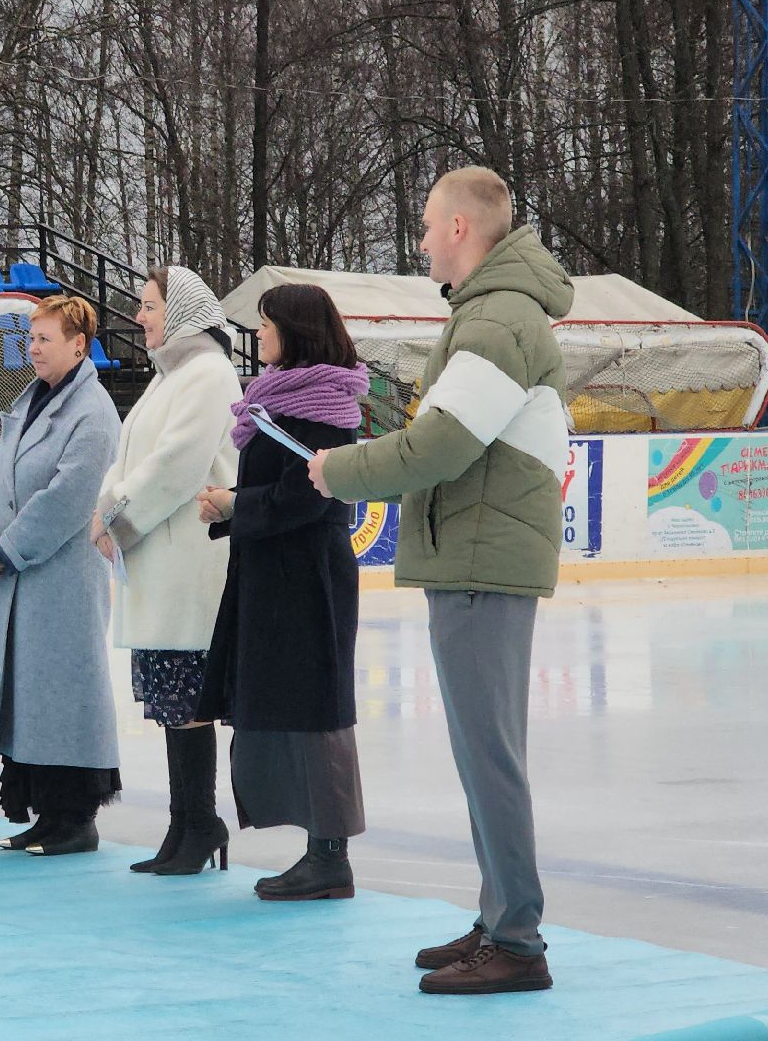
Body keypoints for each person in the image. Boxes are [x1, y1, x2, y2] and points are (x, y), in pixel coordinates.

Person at [309, 166, 570, 995]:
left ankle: (517, 939)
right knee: (481, 752)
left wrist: (337, 470)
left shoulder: (497, 320)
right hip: (474, 554)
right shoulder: (488, 313)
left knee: (490, 755)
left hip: (483, 561)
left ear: (460, 228)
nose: (420, 240)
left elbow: (439, 447)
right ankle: (500, 918)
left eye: (427, 225)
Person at [194, 284, 368, 895]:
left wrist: (233, 505)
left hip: (309, 578)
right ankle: (321, 850)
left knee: (318, 710)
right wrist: (234, 508)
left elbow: (308, 494)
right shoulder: (279, 397)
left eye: (267, 323)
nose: (259, 333)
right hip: (275, 574)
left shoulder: (322, 406)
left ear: (296, 330)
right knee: (293, 706)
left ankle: (330, 856)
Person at [90, 265, 242, 875]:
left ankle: (198, 822)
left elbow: (178, 464)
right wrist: (106, 511)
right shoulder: (169, 376)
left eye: (149, 306)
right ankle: (187, 823)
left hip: (188, 562)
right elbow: (127, 458)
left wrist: (119, 520)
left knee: (189, 701)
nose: (139, 317)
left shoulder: (208, 372)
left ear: (180, 311)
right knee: (174, 703)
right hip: (158, 560)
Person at [0, 295, 122, 856]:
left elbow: (70, 497)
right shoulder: (29, 400)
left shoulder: (94, 412)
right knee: (29, 698)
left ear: (78, 346)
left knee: (64, 695)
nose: (33, 349)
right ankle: (45, 814)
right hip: (16, 577)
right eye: (30, 338)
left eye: (44, 339)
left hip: (60, 580)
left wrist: (7, 549)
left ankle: (75, 817)